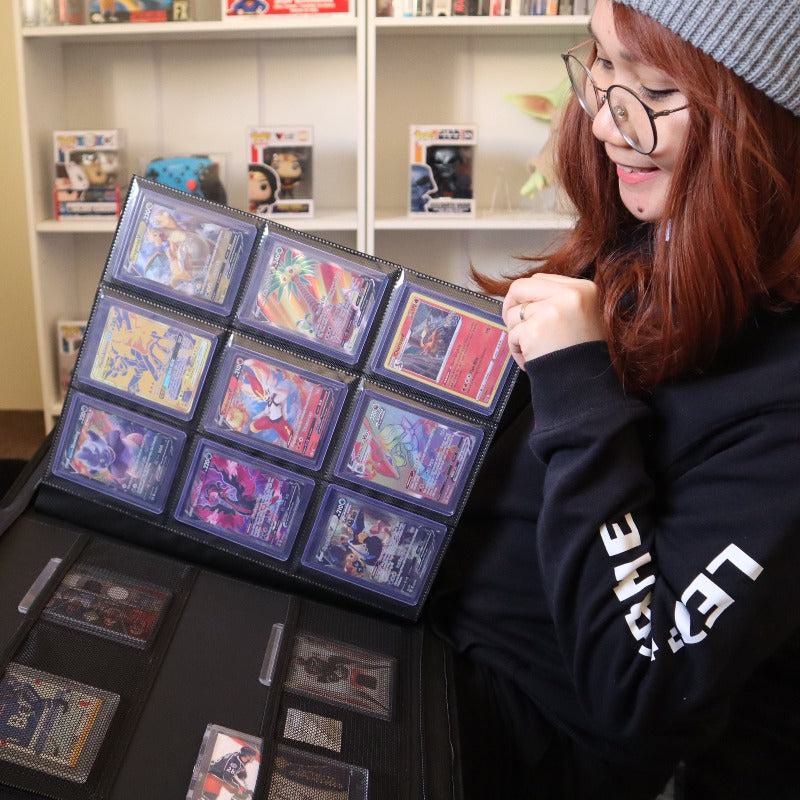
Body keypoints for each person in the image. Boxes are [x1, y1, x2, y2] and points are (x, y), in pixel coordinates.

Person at [428, 1, 800, 798]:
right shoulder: (650, 242)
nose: (602, 122)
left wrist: (576, 386)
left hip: (513, 742)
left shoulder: (784, 399)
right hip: (424, 649)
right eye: (600, 66)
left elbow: (643, 685)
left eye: (654, 90)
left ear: (763, 126)